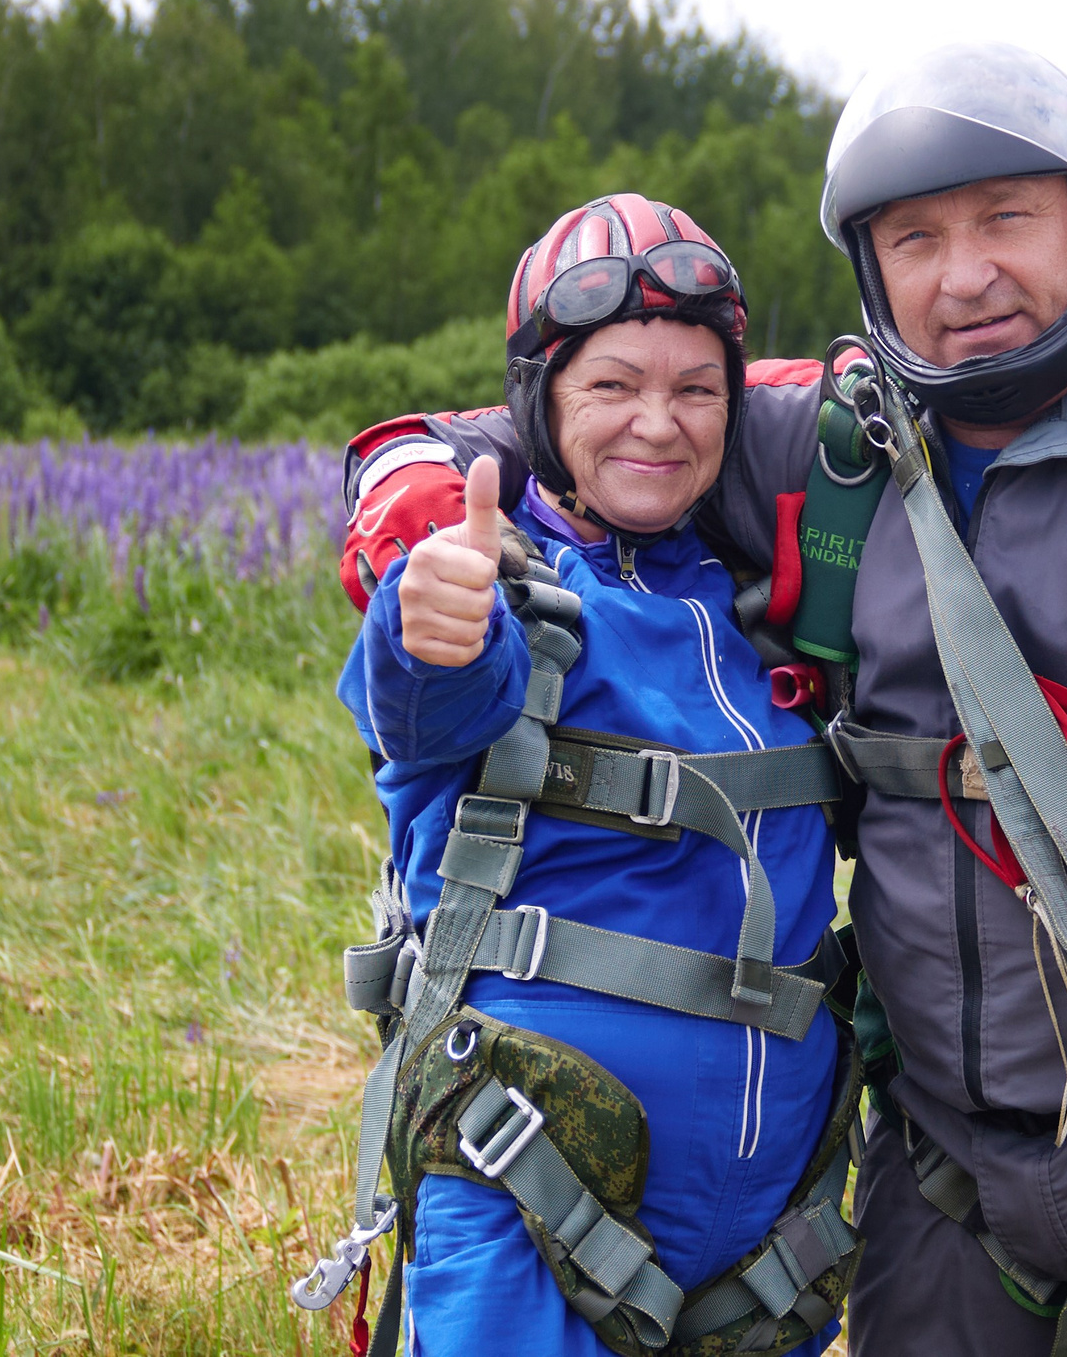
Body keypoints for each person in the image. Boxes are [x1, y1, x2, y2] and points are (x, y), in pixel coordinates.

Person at [340, 44, 1067, 1356]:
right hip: (945, 1147)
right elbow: (548, 413)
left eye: (1005, 220)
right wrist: (413, 509)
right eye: (916, 236)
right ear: (874, 272)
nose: (965, 274)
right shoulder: (815, 437)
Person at [336, 194, 853, 1357]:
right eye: (612, 386)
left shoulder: (762, 611)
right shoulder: (503, 586)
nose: (657, 425)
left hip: (770, 1249)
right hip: (530, 1192)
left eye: (694, 390)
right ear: (540, 402)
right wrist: (429, 616)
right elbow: (425, 701)